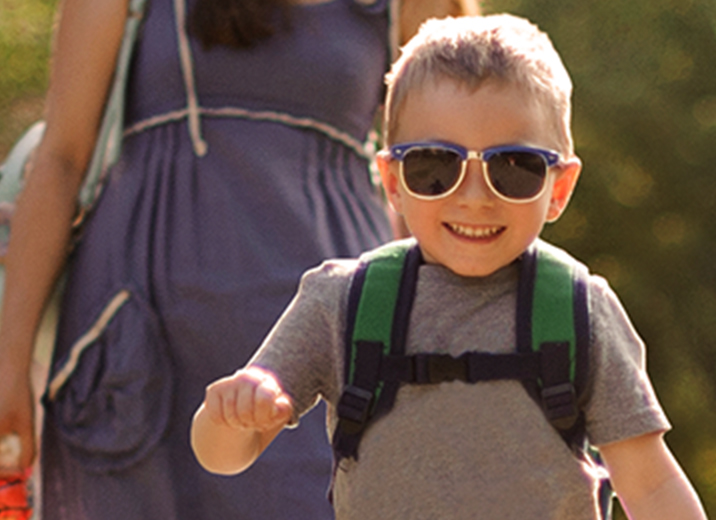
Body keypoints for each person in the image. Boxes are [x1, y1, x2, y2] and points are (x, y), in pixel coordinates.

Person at [190, 14, 709, 520]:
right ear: (392, 182)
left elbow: (651, 482)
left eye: (515, 168)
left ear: (560, 189)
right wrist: (231, 411)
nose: (475, 198)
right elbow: (223, 455)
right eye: (434, 166)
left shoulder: (579, 311)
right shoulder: (343, 301)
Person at [0, 0, 481, 518]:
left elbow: (455, 186)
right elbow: (61, 158)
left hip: (331, 339)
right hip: (141, 342)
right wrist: (7, 363)